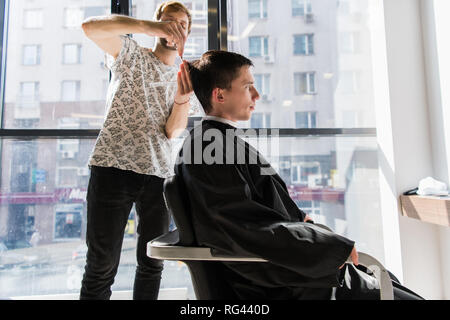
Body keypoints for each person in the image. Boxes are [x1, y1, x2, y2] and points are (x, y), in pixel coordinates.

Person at [174, 50, 423, 300]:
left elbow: (257, 207)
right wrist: (327, 247)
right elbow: (242, 227)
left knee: (386, 280)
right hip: (279, 284)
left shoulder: (216, 142)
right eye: (248, 86)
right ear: (219, 94)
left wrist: (304, 223)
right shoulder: (209, 148)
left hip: (287, 272)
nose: (257, 95)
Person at [79, 1, 202, 300]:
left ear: (187, 32)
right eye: (167, 21)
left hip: (158, 177)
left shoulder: (187, 78)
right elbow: (89, 27)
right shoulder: (131, 54)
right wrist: (150, 26)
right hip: (112, 167)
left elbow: (172, 131)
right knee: (101, 264)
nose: (174, 27)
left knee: (151, 265)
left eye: (181, 24)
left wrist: (183, 97)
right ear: (157, 24)